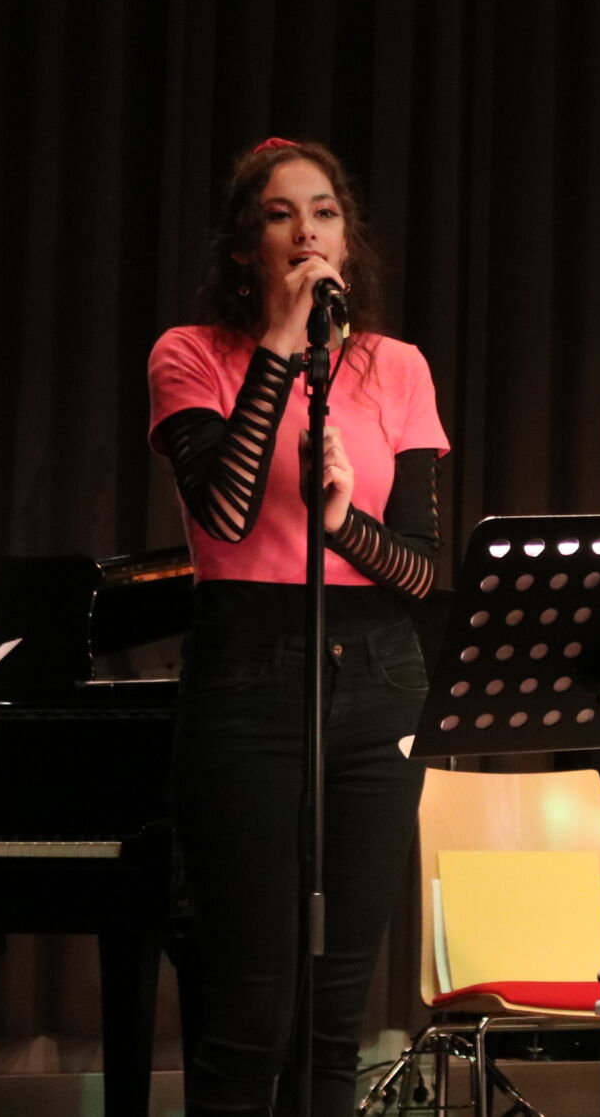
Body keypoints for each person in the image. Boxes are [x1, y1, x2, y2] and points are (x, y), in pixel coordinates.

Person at [147, 137, 447, 1116]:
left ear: (347, 240)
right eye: (280, 214)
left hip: (381, 676)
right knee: (250, 1014)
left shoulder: (396, 367)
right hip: (249, 673)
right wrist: (280, 340)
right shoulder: (190, 353)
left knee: (334, 1017)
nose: (307, 231)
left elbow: (423, 569)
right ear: (245, 245)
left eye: (324, 213)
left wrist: (342, 522)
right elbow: (225, 511)